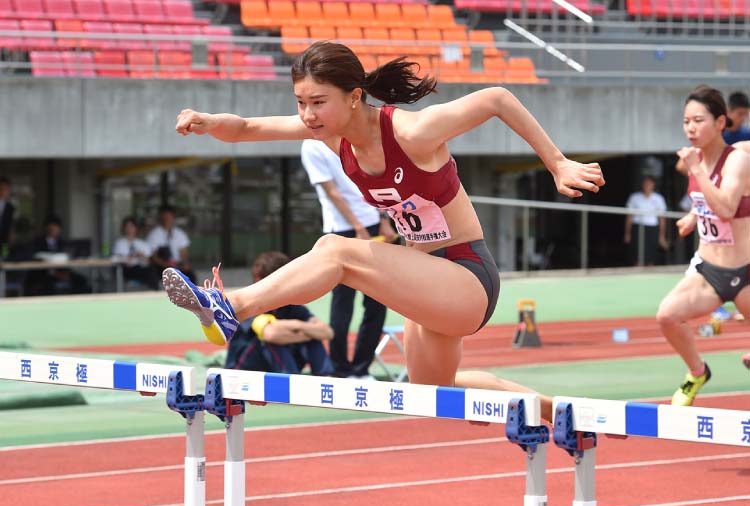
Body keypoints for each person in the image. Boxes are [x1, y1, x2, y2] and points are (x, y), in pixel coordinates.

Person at [163, 41, 604, 422]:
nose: (307, 114)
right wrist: (205, 120)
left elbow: (497, 98)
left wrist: (558, 163)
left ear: (354, 97)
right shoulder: (332, 136)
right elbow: (246, 128)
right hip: (424, 279)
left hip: (466, 276)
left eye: (318, 102)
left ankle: (231, 306)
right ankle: (559, 411)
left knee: (335, 250)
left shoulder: (411, 132)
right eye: (300, 102)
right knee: (433, 395)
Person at [656, 86, 750, 406]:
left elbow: (726, 206)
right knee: (667, 316)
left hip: (746, 272)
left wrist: (695, 168)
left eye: (699, 120)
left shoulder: (737, 159)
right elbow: (710, 200)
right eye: (686, 121)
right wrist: (694, 215)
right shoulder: (699, 160)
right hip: (709, 271)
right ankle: (697, 372)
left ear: (721, 122)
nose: (691, 128)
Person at [300, 137, 396, 379]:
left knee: (377, 300)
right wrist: (357, 227)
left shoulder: (350, 136)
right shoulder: (312, 145)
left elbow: (372, 180)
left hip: (373, 224)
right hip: (341, 230)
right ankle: (341, 368)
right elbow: (332, 191)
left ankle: (362, 367)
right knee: (343, 302)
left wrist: (383, 220)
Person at [225, 251, 335, 376]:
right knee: (271, 341)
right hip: (244, 373)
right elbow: (271, 334)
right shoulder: (249, 306)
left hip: (276, 367)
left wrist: (297, 328)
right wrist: (300, 328)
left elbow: (327, 332)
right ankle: (292, 382)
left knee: (313, 340)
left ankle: (326, 377)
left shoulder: (290, 305)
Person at [624, 174, 668, 266]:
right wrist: (627, 233)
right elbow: (629, 217)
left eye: (649, 183)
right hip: (637, 228)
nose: (647, 185)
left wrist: (662, 236)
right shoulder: (634, 197)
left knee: (651, 258)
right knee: (637, 257)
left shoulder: (659, 198)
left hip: (652, 229)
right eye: (646, 183)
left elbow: (662, 219)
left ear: (653, 185)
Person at [146, 204, 196, 285]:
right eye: (164, 217)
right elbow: (153, 256)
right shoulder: (154, 234)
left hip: (177, 265)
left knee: (190, 275)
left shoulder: (180, 233)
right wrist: (165, 264)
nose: (167, 219)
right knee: (153, 274)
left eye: (169, 216)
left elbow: (184, 254)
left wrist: (185, 264)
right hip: (161, 266)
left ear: (173, 217)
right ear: (161, 217)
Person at [111, 216, 158, 290]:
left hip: (141, 267)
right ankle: (155, 291)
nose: (129, 229)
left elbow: (148, 261)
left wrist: (142, 256)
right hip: (127, 269)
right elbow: (118, 260)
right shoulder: (120, 243)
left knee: (152, 270)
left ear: (136, 228)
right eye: (127, 226)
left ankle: (155, 292)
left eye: (132, 226)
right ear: (123, 228)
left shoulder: (142, 243)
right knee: (148, 272)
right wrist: (133, 256)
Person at [0, 176, 15, 259]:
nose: (3, 191)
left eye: (5, 189)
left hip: (4, 241)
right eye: (1, 188)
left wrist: (11, 237)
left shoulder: (10, 208)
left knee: (4, 259)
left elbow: (11, 225)